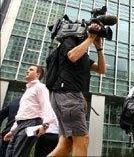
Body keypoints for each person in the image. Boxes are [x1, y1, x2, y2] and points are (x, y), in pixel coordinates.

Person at [48, 23, 106, 156]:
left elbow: (102, 69)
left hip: (65, 96)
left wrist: (99, 47)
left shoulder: (82, 54)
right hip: (68, 95)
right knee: (82, 139)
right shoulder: (69, 41)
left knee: (66, 143)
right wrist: (90, 39)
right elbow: (72, 56)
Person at [3, 65, 56, 157]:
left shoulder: (40, 87)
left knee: (19, 154)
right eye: (27, 70)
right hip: (20, 125)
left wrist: (45, 125)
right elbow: (21, 113)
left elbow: (46, 106)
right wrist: (12, 131)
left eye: (31, 70)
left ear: (38, 74)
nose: (27, 71)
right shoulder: (28, 90)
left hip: (32, 123)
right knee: (9, 153)